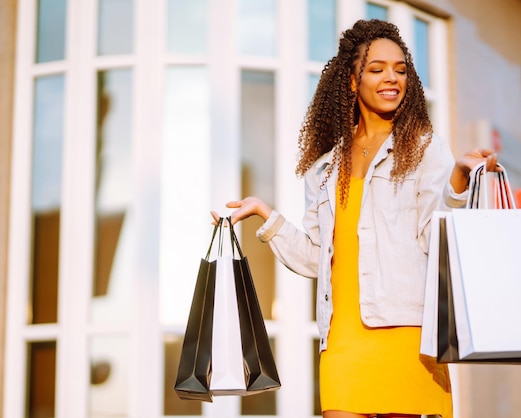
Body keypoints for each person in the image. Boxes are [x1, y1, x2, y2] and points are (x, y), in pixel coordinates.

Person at [213, 19, 498, 418]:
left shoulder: (424, 148)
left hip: (406, 334)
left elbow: (437, 240)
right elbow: (317, 257)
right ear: (351, 80)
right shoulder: (325, 169)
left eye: (400, 70)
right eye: (377, 68)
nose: (392, 78)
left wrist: (458, 180)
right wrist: (267, 215)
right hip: (342, 339)